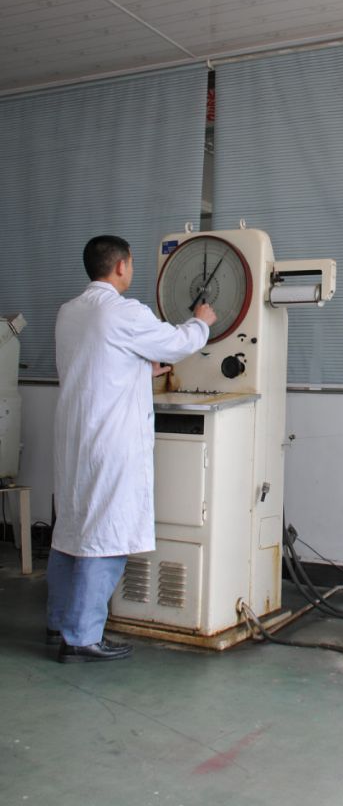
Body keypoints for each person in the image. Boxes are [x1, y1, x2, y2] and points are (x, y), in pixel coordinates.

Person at [47, 235, 217, 663]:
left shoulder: (69, 311)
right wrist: (200, 321)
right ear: (121, 265)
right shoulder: (124, 311)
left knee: (71, 531)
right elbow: (178, 343)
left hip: (75, 439)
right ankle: (81, 637)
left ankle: (59, 622)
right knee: (105, 536)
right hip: (110, 442)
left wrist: (140, 367)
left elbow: (97, 363)